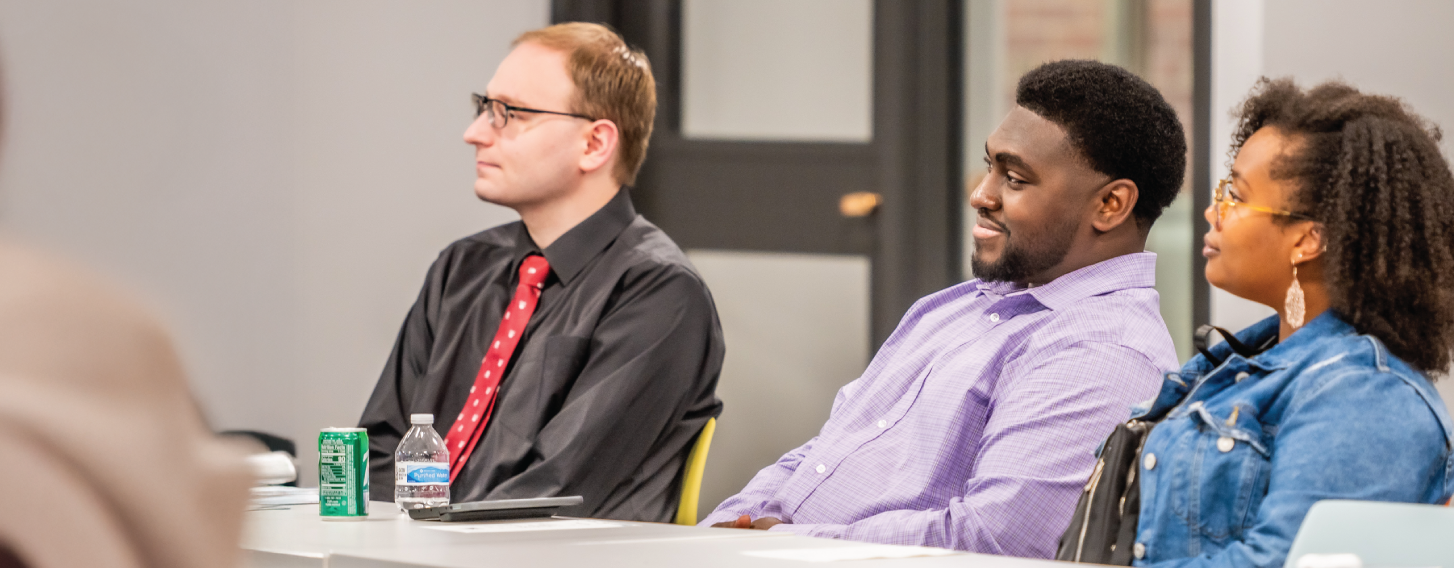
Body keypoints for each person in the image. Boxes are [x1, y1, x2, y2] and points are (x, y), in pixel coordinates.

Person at [702, 60, 1186, 556]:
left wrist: (783, 544)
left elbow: (997, 543)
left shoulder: (1102, 353)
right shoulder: (960, 309)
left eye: (1015, 179)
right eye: (990, 165)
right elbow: (821, 456)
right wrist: (722, 529)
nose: (981, 194)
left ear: (1110, 205)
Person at [357, 22, 724, 522]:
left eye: (511, 113)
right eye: (484, 107)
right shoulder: (461, 268)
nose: (475, 132)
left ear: (595, 144)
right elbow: (381, 448)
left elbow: (553, 491)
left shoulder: (659, 292)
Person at [1124, 79, 1454, 568]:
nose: (1214, 212)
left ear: (1308, 240)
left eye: (1236, 196)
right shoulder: (1234, 366)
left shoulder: (1364, 396)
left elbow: (1280, 561)